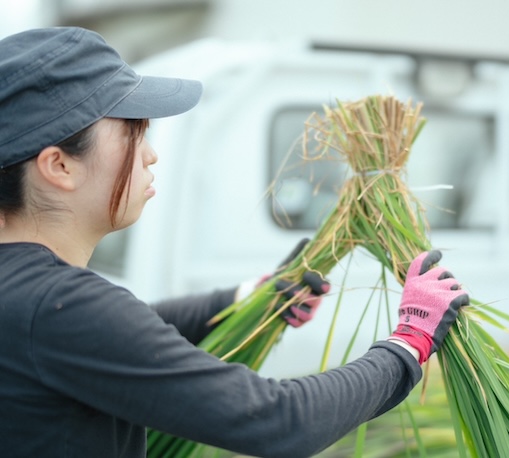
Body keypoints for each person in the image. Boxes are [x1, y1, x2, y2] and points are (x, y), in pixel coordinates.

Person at [0, 27, 470, 458]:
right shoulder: (56, 304)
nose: (150, 153)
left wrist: (249, 298)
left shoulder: (27, 295)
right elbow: (276, 421)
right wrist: (409, 343)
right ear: (59, 166)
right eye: (131, 132)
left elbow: (120, 332)